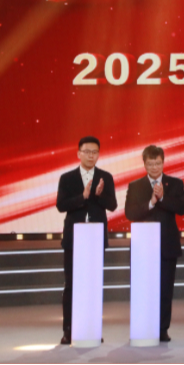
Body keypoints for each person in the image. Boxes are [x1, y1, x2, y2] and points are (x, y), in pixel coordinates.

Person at [56, 136, 117, 346]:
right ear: (78, 153)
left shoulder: (105, 177)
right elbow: (61, 205)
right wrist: (83, 196)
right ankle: (68, 330)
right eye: (87, 151)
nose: (91, 156)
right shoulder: (67, 178)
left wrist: (98, 196)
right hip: (74, 238)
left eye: (95, 152)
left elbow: (113, 205)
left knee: (93, 285)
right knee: (71, 285)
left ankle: (92, 329)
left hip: (96, 239)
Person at [124, 145, 184, 343]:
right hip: (143, 247)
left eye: (158, 163)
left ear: (163, 162)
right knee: (143, 290)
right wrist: (151, 202)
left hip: (167, 244)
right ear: (144, 164)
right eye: (151, 163)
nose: (154, 167)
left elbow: (182, 208)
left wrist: (162, 199)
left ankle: (162, 329)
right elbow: (130, 213)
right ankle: (143, 326)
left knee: (165, 290)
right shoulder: (135, 186)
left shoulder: (175, 183)